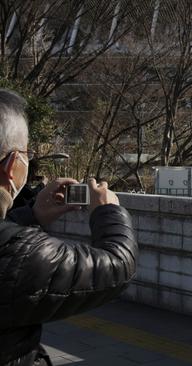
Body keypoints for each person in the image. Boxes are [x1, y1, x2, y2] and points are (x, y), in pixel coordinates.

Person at [0, 88, 138, 366]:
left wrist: (31, 216)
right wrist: (107, 211)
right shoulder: (19, 254)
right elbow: (118, 264)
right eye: (28, 154)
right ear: (14, 165)